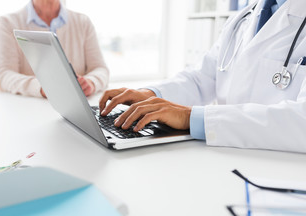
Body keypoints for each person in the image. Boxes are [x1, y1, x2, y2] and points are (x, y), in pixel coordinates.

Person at [99, 0, 306, 153]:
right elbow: (203, 77)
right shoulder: (245, 17)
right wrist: (151, 94)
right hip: (225, 152)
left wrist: (190, 117)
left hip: (280, 167)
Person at [0, 0, 109, 98]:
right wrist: (40, 87)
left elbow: (100, 68)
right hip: (30, 109)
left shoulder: (83, 22)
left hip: (77, 110)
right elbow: (3, 75)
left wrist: (91, 82)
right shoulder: (8, 22)